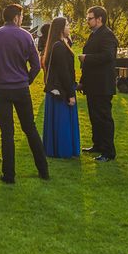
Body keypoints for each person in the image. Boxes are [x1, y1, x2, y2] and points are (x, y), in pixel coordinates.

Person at [0, 4, 49, 184]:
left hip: (1, 90)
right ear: (16, 17)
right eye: (21, 16)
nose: (22, 19)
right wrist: (27, 80)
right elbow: (36, 65)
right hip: (21, 88)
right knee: (30, 128)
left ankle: (9, 174)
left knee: (7, 132)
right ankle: (43, 169)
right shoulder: (26, 36)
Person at [78, 5, 119, 162]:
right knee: (94, 116)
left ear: (99, 19)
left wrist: (87, 58)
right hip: (92, 84)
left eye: (90, 18)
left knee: (104, 118)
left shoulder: (107, 35)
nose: (87, 21)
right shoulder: (94, 35)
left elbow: (108, 56)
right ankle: (98, 145)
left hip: (102, 85)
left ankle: (108, 151)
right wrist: (83, 81)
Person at [42, 17, 80, 158]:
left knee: (62, 121)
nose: (69, 28)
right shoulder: (58, 46)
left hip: (62, 88)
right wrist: (70, 93)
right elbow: (64, 72)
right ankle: (62, 149)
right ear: (60, 28)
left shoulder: (60, 44)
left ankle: (59, 148)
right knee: (62, 121)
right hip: (62, 89)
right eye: (68, 25)